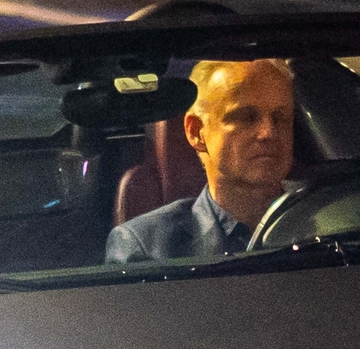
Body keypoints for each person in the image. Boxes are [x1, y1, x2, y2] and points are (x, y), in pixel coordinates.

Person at [105, 58, 294, 263]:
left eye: (281, 117)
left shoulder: (328, 214)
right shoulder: (146, 247)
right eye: (245, 117)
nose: (269, 132)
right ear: (196, 131)